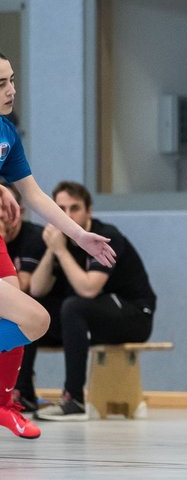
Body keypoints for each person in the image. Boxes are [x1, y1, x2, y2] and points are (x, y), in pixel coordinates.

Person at [0, 53, 117, 436]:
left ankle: (3, 403)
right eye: (0, 84)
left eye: (12, 80)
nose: (11, 90)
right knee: (35, 319)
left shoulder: (7, 134)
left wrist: (78, 234)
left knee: (17, 314)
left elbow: (33, 194)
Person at [19, 181, 156, 421]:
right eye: (61, 209)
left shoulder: (107, 236)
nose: (68, 215)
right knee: (30, 311)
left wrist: (61, 252)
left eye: (75, 208)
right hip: (87, 318)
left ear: (89, 211)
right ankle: (25, 395)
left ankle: (74, 400)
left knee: (74, 306)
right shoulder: (56, 240)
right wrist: (52, 250)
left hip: (134, 314)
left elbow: (89, 288)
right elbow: (38, 289)